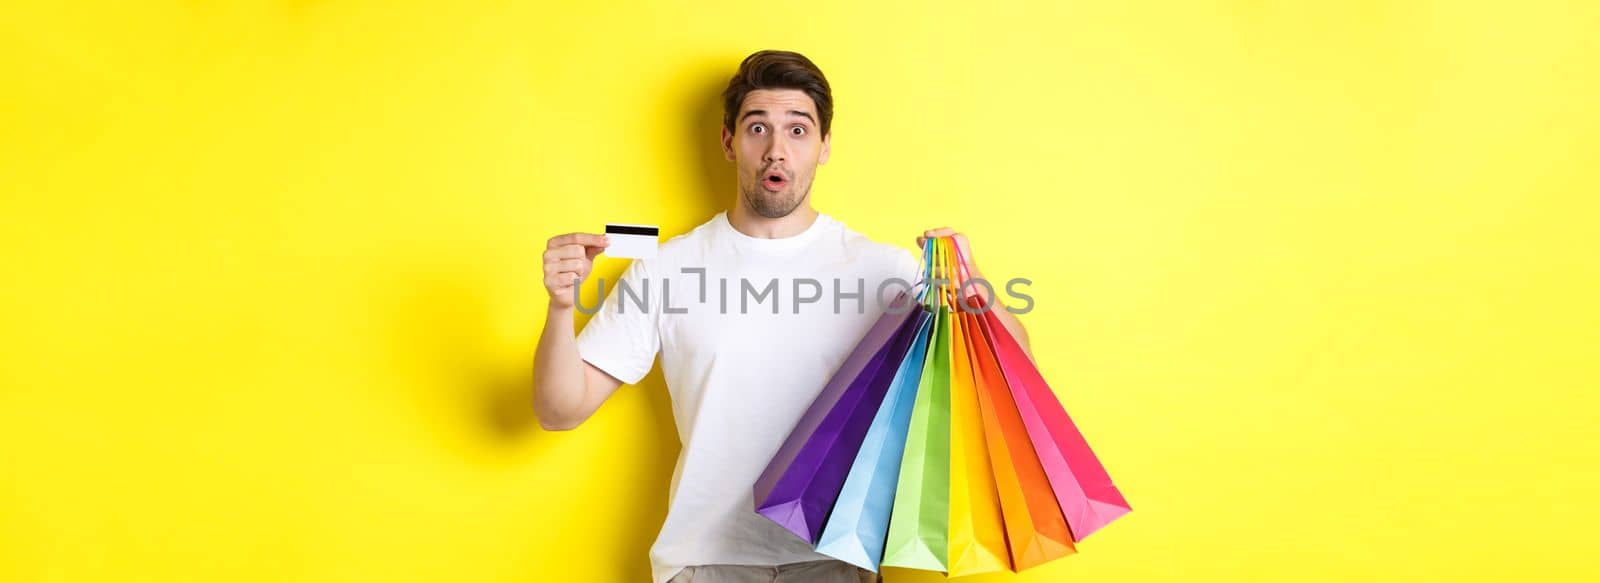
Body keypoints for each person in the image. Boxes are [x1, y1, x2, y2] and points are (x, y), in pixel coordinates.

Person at [534, 50, 1031, 583]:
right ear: (730, 143)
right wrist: (562, 307)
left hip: (836, 560)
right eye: (757, 129)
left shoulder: (885, 270)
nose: (777, 151)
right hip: (705, 563)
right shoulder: (667, 268)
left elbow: (1011, 373)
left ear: (824, 147)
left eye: (798, 130)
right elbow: (560, 409)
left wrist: (975, 289)